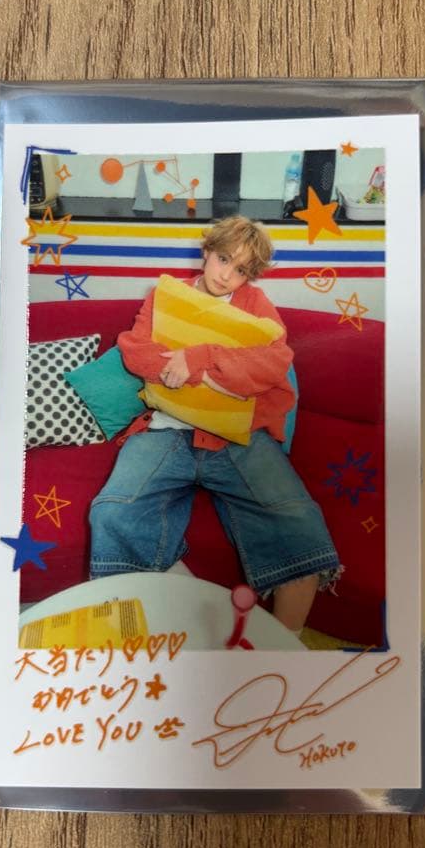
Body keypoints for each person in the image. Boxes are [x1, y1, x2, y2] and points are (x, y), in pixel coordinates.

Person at [89, 216, 340, 634]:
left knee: (297, 517)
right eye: (223, 259)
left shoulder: (254, 303)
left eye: (240, 270)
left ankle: (286, 645)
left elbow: (274, 361)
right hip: (165, 429)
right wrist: (204, 376)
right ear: (206, 252)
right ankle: (167, 615)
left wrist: (198, 358)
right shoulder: (167, 295)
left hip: (235, 437)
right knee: (113, 511)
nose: (226, 275)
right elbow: (135, 351)